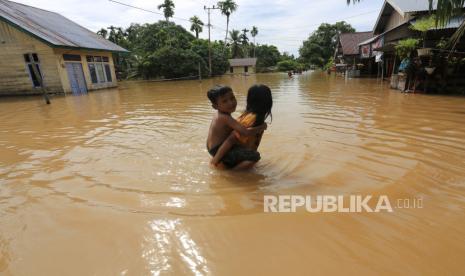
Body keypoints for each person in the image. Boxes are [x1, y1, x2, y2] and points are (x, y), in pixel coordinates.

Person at [210, 84, 273, 169]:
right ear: (269, 102)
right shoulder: (248, 119)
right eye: (225, 101)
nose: (231, 103)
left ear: (249, 100)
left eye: (232, 98)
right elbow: (232, 138)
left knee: (250, 154)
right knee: (254, 156)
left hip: (215, 148)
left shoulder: (224, 115)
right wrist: (215, 159)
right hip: (219, 150)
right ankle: (231, 175)